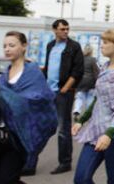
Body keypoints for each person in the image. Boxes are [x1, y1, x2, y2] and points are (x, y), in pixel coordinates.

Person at [0, 31, 57, 184]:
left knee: (6, 181)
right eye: (5, 46)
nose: (7, 49)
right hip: (0, 137)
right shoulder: (3, 77)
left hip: (20, 137)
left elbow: (45, 101)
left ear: (23, 46)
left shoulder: (33, 73)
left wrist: (14, 100)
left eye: (12, 45)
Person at [72, 29, 114, 184]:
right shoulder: (105, 67)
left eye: (105, 42)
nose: (101, 46)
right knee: (81, 178)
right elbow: (99, 99)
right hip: (96, 131)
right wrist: (81, 120)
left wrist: (109, 134)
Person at [29, 18, 83, 176]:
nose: (66, 31)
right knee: (41, 127)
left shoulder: (74, 46)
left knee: (63, 129)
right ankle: (30, 164)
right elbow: (48, 67)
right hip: (48, 92)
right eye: (63, 29)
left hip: (63, 93)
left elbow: (77, 70)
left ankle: (65, 162)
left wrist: (65, 89)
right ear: (55, 30)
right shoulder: (50, 45)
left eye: (67, 29)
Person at [73, 45, 100, 121]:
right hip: (90, 82)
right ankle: (89, 114)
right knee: (90, 98)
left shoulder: (79, 59)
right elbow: (96, 72)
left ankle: (76, 111)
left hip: (80, 82)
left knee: (79, 98)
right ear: (91, 52)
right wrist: (97, 82)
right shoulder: (93, 60)